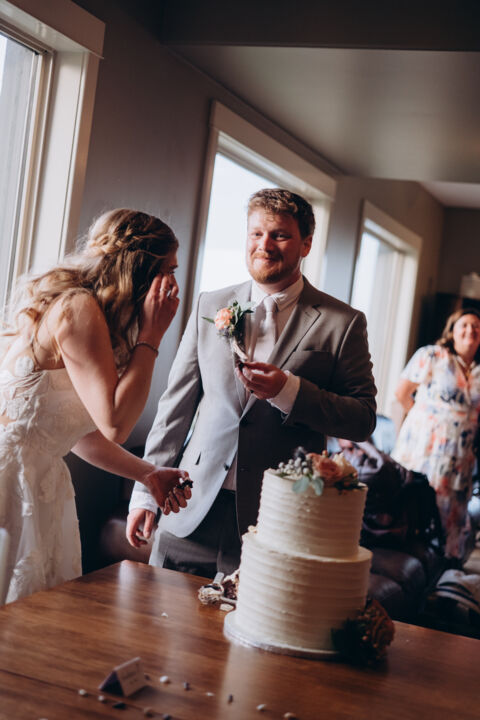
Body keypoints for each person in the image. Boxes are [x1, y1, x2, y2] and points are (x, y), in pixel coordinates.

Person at [127, 189, 377, 577]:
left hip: (277, 520)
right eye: (256, 234)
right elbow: (174, 408)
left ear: (306, 244)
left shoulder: (342, 323)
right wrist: (145, 492)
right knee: (159, 614)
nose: (265, 245)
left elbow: (362, 419)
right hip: (189, 506)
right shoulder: (210, 304)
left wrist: (289, 392)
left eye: (280, 235)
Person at [0, 209, 191, 603]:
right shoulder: (78, 308)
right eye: (168, 270)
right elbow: (115, 425)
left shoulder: (89, 312)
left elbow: (70, 432)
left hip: (39, 483)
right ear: (140, 269)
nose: (173, 284)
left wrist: (148, 473)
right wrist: (152, 336)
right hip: (12, 482)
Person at [392, 308, 480, 565]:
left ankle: (442, 571)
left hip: (461, 458)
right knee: (419, 506)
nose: (471, 330)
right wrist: (425, 424)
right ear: (452, 331)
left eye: (476, 326)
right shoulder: (432, 355)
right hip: (426, 450)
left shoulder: (478, 372)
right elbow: (402, 393)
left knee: (452, 518)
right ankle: (410, 558)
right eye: (464, 325)